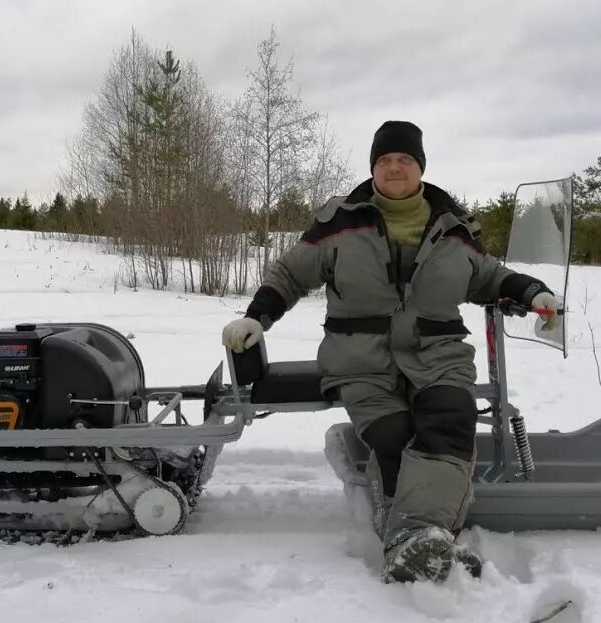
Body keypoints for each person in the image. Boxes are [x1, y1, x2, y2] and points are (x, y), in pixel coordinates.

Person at [221, 120, 560, 585]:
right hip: (361, 361)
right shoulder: (338, 221)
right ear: (373, 168)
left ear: (420, 167)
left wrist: (533, 292)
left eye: (404, 159)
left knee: (447, 422)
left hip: (438, 355)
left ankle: (411, 539)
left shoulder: (454, 227)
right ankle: (420, 538)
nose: (394, 167)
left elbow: (490, 277)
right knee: (394, 435)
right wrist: (256, 318)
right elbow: (290, 275)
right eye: (385, 160)